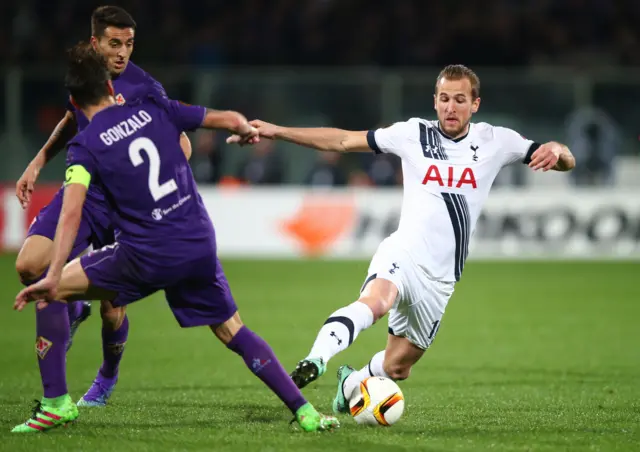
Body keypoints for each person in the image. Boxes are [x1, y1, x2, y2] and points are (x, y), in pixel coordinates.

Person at [12, 44, 339, 434]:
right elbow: (228, 119)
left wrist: (52, 274)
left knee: (50, 291)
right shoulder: (154, 107)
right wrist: (245, 130)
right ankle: (305, 412)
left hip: (145, 255)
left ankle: (55, 404)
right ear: (112, 89)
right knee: (233, 330)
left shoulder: (84, 147)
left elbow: (70, 213)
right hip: (197, 243)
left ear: (73, 101)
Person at [227, 64, 576, 414]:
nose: (450, 107)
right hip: (404, 252)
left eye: (459, 100)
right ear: (435, 101)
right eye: (443, 99)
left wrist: (558, 150)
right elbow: (343, 140)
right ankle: (316, 359)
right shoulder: (412, 134)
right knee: (377, 301)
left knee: (398, 367)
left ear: (475, 104)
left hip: (442, 278)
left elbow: (566, 160)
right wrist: (277, 131)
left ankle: (350, 382)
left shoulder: (496, 141)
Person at [14, 6, 192, 408]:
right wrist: (39, 160)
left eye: (128, 44)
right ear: (96, 43)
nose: (122, 53)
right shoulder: (87, 74)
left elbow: (182, 145)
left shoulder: (145, 88)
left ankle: (107, 376)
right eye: (114, 43)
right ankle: (74, 306)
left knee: (113, 311)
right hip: (84, 190)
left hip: (122, 204)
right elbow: (73, 118)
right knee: (28, 266)